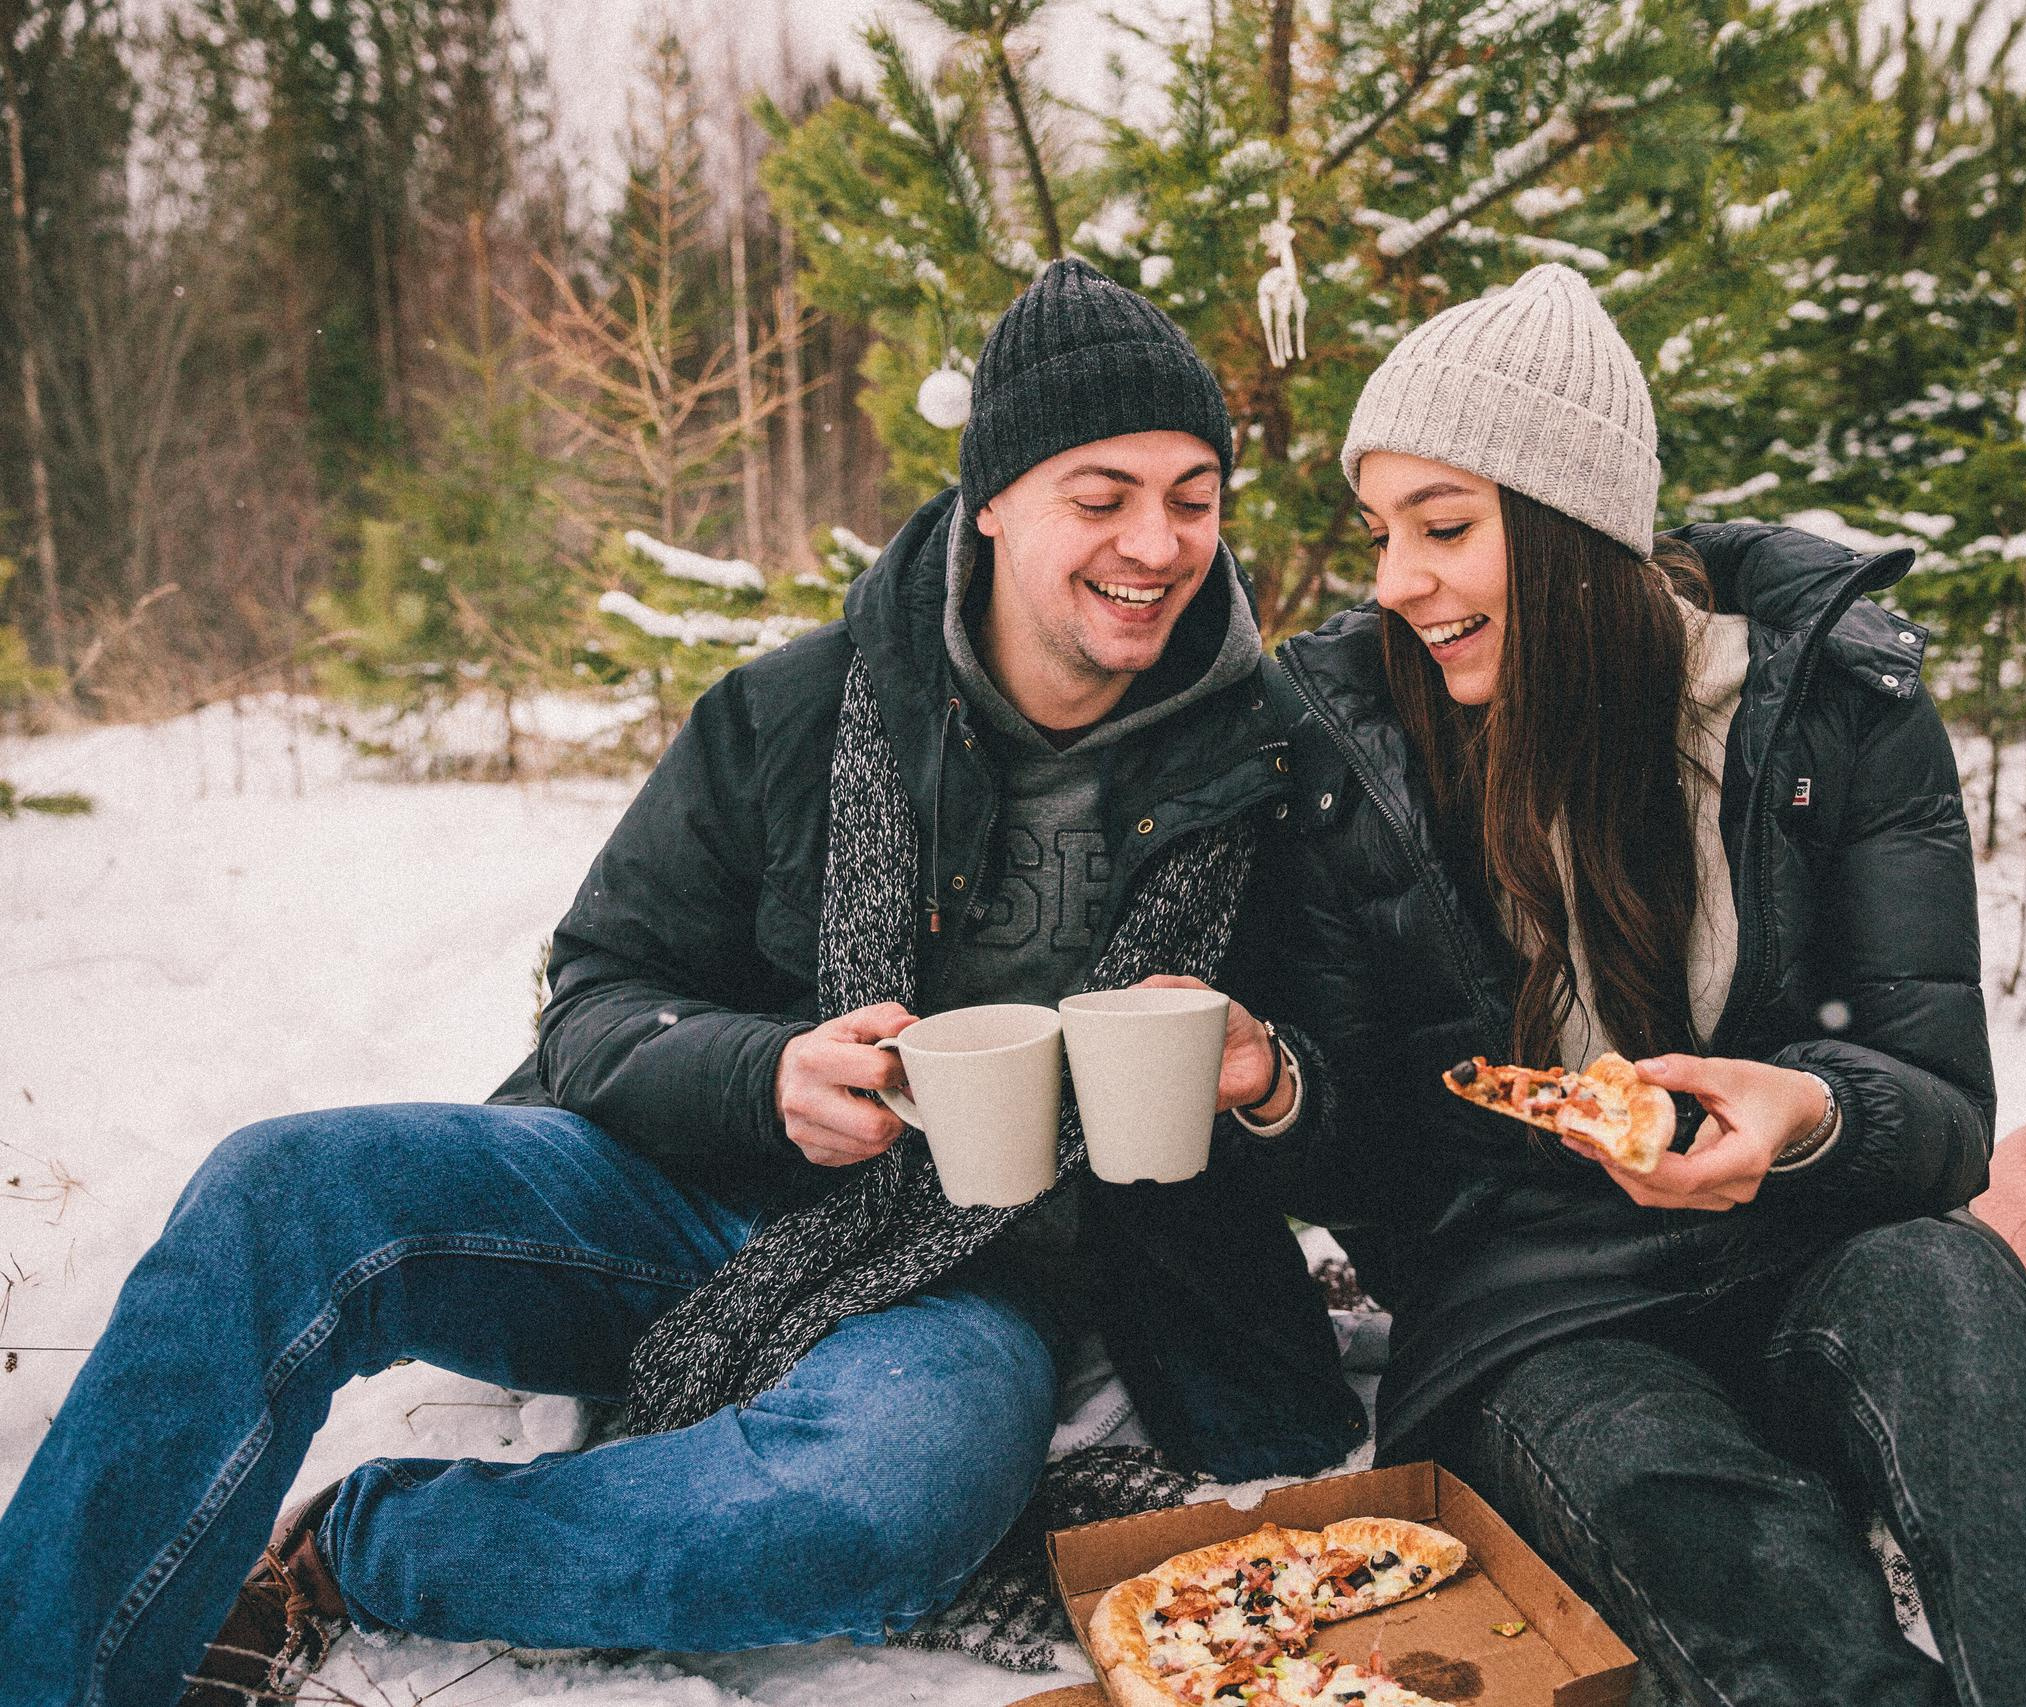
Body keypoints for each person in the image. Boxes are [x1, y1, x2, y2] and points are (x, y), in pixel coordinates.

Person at [0, 257, 1364, 1707]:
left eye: (1194, 498)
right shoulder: (790, 710)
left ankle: (376, 1545)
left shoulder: (1273, 767)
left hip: (976, 1290)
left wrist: (1271, 1077)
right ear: (993, 502)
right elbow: (595, 995)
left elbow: (1367, 1089)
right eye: (1104, 497)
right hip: (683, 1194)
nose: (1157, 544)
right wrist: (761, 1075)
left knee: (864, 1514)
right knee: (282, 1190)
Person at [1238, 263, 2026, 1707]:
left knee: (1952, 1282)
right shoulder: (1357, 744)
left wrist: (1809, 1111)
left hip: (1813, 1251)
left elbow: (1945, 1112)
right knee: (1714, 1537)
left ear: (1576, 531)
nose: (1396, 582)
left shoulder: (1833, 700)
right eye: (1386, 532)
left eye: (1443, 528)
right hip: (1534, 1314)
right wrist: (1277, 1086)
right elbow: (1376, 1168)